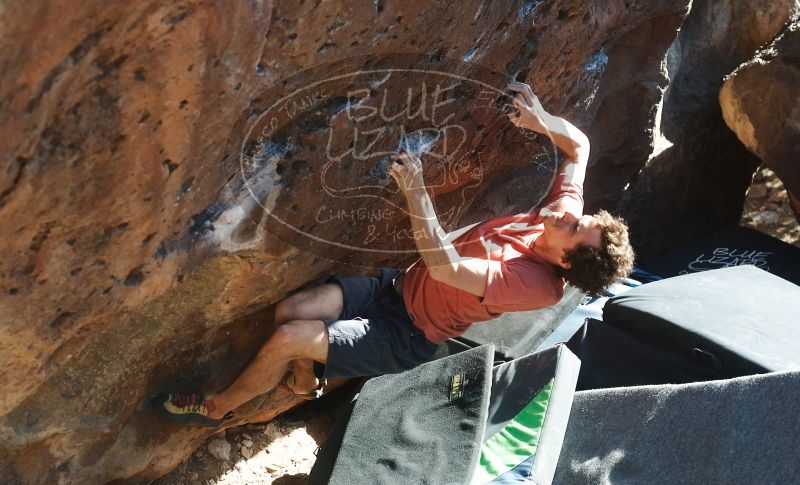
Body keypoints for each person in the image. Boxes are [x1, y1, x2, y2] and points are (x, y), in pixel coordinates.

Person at [154, 82, 634, 426]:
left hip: (406, 333)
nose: (570, 214)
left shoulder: (535, 285)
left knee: (288, 336)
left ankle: (216, 407)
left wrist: (417, 195)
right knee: (291, 311)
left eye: (575, 227)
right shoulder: (560, 218)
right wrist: (541, 120)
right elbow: (579, 149)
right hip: (394, 288)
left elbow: (444, 266)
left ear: (567, 261)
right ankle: (304, 382)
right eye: (583, 217)